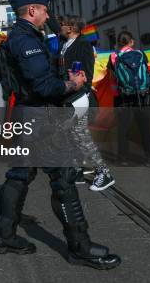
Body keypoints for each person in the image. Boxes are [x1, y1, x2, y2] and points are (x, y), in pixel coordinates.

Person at [0, 0, 120, 270]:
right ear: (33, 10)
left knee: (20, 175)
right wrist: (71, 84)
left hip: (29, 116)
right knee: (63, 180)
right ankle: (80, 247)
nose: (49, 16)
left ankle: (4, 235)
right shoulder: (26, 40)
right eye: (46, 10)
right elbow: (43, 86)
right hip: (40, 118)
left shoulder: (24, 37)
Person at [58, 15, 115, 190]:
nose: (59, 27)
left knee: (81, 135)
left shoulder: (83, 44)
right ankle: (78, 171)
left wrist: (81, 90)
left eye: (62, 24)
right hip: (69, 95)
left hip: (78, 96)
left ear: (71, 27)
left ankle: (104, 173)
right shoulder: (66, 44)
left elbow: (88, 72)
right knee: (74, 134)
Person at [109, 31, 150, 167]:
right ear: (132, 42)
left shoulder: (113, 57)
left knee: (123, 128)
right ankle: (149, 156)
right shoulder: (141, 54)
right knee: (144, 127)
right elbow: (147, 72)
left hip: (122, 97)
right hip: (142, 96)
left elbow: (112, 77)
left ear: (118, 43)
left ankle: (123, 158)